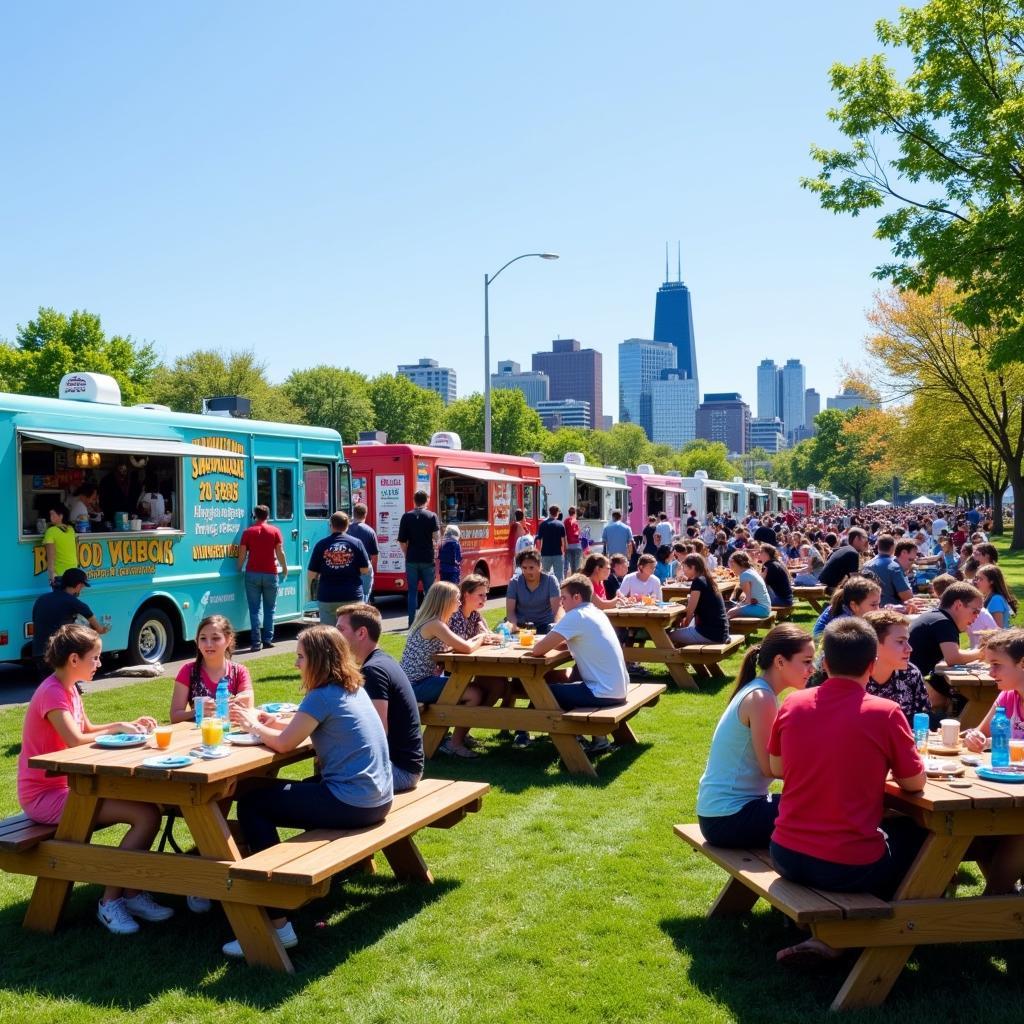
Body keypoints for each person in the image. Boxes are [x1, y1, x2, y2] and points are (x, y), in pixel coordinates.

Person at [226, 625, 393, 957]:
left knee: (252, 803)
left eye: (300, 657)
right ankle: (286, 887)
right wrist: (264, 722)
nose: (296, 665)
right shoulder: (351, 687)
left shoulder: (322, 695)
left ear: (317, 659)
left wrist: (252, 725)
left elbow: (287, 742)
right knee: (286, 791)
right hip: (377, 799)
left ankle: (278, 921)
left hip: (353, 803)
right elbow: (299, 729)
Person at [768, 617, 927, 965]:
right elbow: (915, 784)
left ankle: (825, 934)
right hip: (848, 866)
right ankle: (850, 938)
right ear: (871, 666)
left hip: (785, 853)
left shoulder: (793, 704)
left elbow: (777, 769)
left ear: (825, 663)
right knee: (919, 838)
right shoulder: (885, 713)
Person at [18, 624, 172, 935]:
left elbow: (86, 729)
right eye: (96, 658)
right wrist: (118, 731)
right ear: (74, 659)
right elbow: (75, 741)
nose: (100, 663)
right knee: (145, 815)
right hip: (44, 796)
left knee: (150, 808)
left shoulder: (69, 688)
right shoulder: (52, 692)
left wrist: (123, 724)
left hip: (66, 786)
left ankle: (130, 892)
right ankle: (110, 901)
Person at [696, 626, 815, 847]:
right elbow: (770, 768)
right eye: (807, 661)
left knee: (815, 805)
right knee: (822, 808)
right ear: (780, 662)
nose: (813, 668)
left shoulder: (760, 691)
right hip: (729, 820)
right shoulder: (761, 698)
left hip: (722, 816)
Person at [527, 574, 629, 751]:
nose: (561, 603)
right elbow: (567, 642)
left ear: (577, 597)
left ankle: (531, 733)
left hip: (603, 693)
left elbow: (538, 650)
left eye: (564, 598)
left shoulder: (576, 616)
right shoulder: (596, 612)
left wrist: (534, 646)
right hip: (618, 688)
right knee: (557, 685)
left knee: (542, 692)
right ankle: (596, 738)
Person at [399, 580, 499, 757]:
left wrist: (476, 639)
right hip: (415, 686)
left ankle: (458, 737)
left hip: (419, 682)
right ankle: (455, 743)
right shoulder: (435, 624)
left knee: (482, 688)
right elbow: (466, 648)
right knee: (474, 694)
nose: (460, 603)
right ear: (444, 601)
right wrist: (482, 637)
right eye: (457, 599)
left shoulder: (434, 622)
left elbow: (457, 646)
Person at [336, 602, 423, 792]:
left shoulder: (373, 671)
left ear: (361, 633)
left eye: (340, 629)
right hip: (405, 766)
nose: (335, 636)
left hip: (398, 771)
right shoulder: (381, 660)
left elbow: (377, 733)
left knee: (326, 780)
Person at [909, 580, 985, 710]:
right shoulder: (943, 622)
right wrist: (982, 653)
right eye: (975, 611)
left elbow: (951, 658)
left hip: (911, 681)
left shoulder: (937, 617)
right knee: (971, 698)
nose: (977, 617)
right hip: (912, 688)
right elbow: (953, 658)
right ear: (958, 605)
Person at [171, 615, 254, 724]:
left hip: (232, 734)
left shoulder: (239, 671)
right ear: (197, 642)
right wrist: (198, 711)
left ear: (228, 639)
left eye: (215, 638)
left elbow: (249, 710)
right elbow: (175, 716)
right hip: (199, 736)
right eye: (203, 638)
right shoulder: (188, 671)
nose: (209, 644)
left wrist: (240, 704)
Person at [31, 568, 110, 679]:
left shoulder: (41, 599)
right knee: (67, 689)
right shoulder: (73, 602)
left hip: (38, 652)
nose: (81, 590)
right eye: (82, 587)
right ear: (78, 586)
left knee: (49, 686)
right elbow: (96, 625)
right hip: (57, 653)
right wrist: (102, 629)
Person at [863, 609, 931, 724]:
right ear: (874, 645)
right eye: (900, 642)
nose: (909, 649)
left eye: (907, 641)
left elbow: (922, 720)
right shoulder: (854, 674)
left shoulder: (911, 674)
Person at [237, 504, 288, 651]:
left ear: (254, 515)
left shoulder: (248, 532)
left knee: (254, 609)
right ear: (268, 516)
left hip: (252, 573)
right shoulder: (274, 531)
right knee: (270, 609)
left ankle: (255, 642)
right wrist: (284, 569)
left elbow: (242, 553)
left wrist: (239, 568)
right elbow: (280, 552)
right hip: (271, 574)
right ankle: (267, 639)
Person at [307, 511, 369, 625]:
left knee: (330, 636)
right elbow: (365, 569)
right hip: (352, 595)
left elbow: (311, 573)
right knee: (352, 633)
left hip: (328, 596)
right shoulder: (357, 543)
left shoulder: (321, 544)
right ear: (347, 525)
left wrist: (309, 592)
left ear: (331, 526)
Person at [397, 490, 440, 627]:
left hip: (412, 558)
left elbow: (402, 541)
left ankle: (411, 622)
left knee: (412, 592)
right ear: (426, 500)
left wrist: (406, 553)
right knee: (429, 591)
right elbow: (437, 538)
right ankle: (429, 620)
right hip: (427, 558)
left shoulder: (406, 517)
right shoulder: (432, 516)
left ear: (414, 500)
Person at [669, 554, 730, 646]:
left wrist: (684, 625)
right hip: (721, 633)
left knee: (666, 637)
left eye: (684, 567)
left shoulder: (698, 582)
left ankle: (678, 660)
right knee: (679, 640)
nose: (683, 571)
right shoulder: (708, 580)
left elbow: (690, 611)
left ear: (692, 567)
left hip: (709, 634)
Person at [505, 549, 562, 633]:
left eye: (531, 568)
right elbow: (510, 612)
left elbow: (557, 610)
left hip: (545, 625)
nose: (528, 571)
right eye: (524, 568)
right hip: (521, 626)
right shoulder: (514, 582)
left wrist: (557, 629)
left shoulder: (551, 581)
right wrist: (514, 627)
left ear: (540, 566)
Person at [812, 575, 882, 639]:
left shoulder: (852, 610)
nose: (878, 609)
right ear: (854, 606)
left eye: (879, 604)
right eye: (873, 605)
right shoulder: (844, 624)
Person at [863, 535, 914, 607]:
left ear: (878, 546)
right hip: (892, 611)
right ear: (893, 547)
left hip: (871, 610)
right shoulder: (894, 566)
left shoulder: (866, 565)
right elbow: (907, 597)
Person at [816, 526, 869, 590]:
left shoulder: (845, 549)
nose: (867, 541)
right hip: (829, 588)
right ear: (856, 538)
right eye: (865, 538)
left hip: (823, 584)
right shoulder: (852, 553)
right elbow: (854, 580)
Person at [345, 503, 379, 603]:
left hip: (348, 566)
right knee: (365, 594)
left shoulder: (346, 530)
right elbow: (374, 555)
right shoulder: (370, 531)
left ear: (353, 513)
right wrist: (373, 568)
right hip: (365, 566)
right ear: (365, 514)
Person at [726, 550, 772, 620]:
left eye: (731, 567)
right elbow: (750, 599)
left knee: (730, 612)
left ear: (733, 563)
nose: (732, 570)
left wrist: (738, 606)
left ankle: (728, 630)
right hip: (765, 607)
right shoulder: (750, 571)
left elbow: (748, 601)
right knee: (732, 610)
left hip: (761, 609)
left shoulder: (744, 575)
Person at [43, 503, 78, 587]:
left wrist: (51, 574)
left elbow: (50, 556)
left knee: (60, 599)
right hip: (73, 571)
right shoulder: (71, 529)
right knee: (70, 599)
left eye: (53, 514)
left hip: (60, 573)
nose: (50, 517)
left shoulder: (51, 531)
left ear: (61, 516)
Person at [975, 564, 1017, 628]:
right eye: (977, 578)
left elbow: (998, 630)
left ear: (991, 581)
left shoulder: (996, 600)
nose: (977, 582)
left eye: (981, 579)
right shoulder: (990, 597)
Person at [536, 505, 567, 579]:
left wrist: (539, 552)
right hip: (558, 554)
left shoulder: (543, 524)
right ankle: (558, 590)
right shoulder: (561, 525)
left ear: (549, 512)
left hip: (545, 553)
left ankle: (544, 590)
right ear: (557, 513)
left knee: (544, 576)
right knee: (559, 576)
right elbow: (563, 541)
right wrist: (564, 552)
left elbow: (539, 540)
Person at [564, 506, 584, 575]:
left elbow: (564, 533)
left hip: (568, 545)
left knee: (567, 565)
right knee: (576, 566)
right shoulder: (575, 521)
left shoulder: (566, 521)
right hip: (576, 545)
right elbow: (577, 533)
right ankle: (575, 580)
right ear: (575, 512)